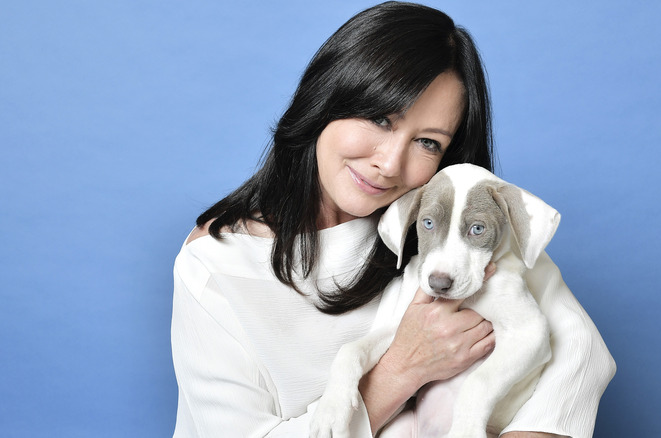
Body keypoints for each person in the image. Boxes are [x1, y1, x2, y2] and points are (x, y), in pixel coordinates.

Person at [170, 2, 616, 437]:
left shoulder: (437, 235)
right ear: (326, 98)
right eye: (379, 118)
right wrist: (400, 371)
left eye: (427, 142)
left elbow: (582, 349)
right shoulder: (216, 265)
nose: (389, 162)